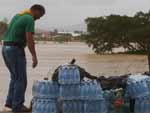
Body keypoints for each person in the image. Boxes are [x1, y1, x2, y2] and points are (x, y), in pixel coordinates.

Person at [2, 4, 45, 112]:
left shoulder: (18, 16)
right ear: (36, 11)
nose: (38, 18)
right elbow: (29, 39)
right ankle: (17, 106)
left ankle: (10, 103)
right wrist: (34, 57)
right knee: (21, 80)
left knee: (15, 78)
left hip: (5, 48)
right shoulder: (29, 18)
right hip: (15, 49)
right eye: (40, 15)